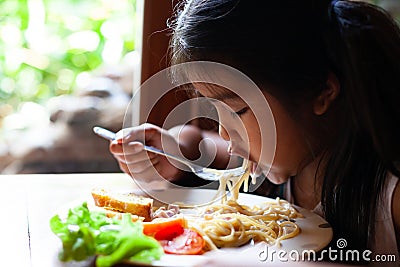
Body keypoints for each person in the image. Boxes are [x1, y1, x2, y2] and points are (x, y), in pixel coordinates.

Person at [109, 0, 400, 265]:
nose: (224, 132)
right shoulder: (277, 161)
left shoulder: (390, 198)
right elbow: (205, 145)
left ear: (321, 94)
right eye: (214, 109)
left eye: (237, 111)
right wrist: (175, 150)